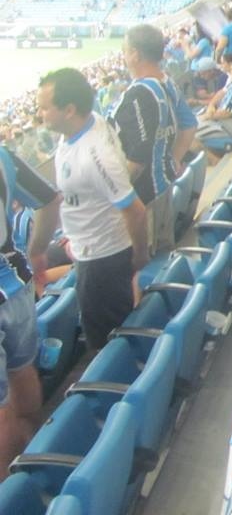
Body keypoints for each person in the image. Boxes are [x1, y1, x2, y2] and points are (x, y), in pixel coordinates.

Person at [37, 68, 148, 351]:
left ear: (69, 110)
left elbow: (135, 210)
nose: (40, 114)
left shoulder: (96, 156)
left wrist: (139, 256)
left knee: (106, 341)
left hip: (102, 261)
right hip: (87, 247)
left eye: (45, 108)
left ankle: (119, 385)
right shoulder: (86, 124)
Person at [111, 25, 197, 254]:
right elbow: (189, 124)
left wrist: (113, 194)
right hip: (162, 187)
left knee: (142, 261)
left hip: (142, 197)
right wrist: (173, 161)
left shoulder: (140, 93)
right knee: (161, 254)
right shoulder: (165, 82)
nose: (124, 55)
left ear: (136, 54)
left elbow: (138, 158)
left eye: (125, 49)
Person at [0, 147, 59, 480]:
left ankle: (7, 493)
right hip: (16, 284)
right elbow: (50, 199)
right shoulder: (4, 155)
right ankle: (30, 449)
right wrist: (36, 252)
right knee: (22, 371)